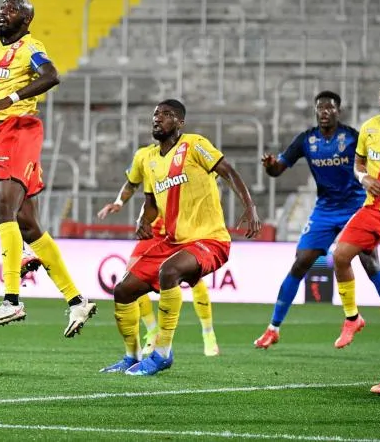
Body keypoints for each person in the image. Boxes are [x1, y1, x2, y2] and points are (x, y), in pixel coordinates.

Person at [0, 0, 95, 335]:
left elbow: (52, 75)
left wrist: (9, 98)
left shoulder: (31, 47)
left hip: (17, 128)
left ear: (26, 21)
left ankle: (12, 298)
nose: (4, 12)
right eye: (2, 7)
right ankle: (77, 301)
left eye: (12, 10)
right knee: (28, 224)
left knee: (3, 209)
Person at [100, 100, 261, 376]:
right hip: (174, 241)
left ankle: (162, 353)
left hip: (210, 240)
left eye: (166, 115)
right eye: (155, 114)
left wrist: (250, 206)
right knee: (123, 290)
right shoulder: (150, 159)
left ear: (180, 122)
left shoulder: (194, 144)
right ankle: (132, 356)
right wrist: (143, 220)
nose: (158, 119)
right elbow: (150, 202)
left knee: (169, 271)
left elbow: (228, 171)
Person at [255, 91, 380, 350]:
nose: (324, 112)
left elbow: (372, 164)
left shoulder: (352, 137)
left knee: (370, 264)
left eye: (329, 108)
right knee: (301, 262)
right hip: (325, 210)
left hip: (356, 207)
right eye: (320, 108)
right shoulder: (306, 140)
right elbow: (277, 170)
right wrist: (270, 165)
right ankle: (273, 329)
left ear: (339, 111)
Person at [329, 78, 380, 394]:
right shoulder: (368, 128)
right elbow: (359, 162)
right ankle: (352, 318)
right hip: (371, 210)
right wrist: (363, 178)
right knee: (339, 255)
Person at [98, 147, 220, 357]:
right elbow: (131, 183)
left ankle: (208, 334)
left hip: (182, 229)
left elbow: (210, 178)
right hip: (155, 227)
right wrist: (118, 203)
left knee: (193, 277)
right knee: (130, 277)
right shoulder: (144, 156)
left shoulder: (188, 154)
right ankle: (152, 331)